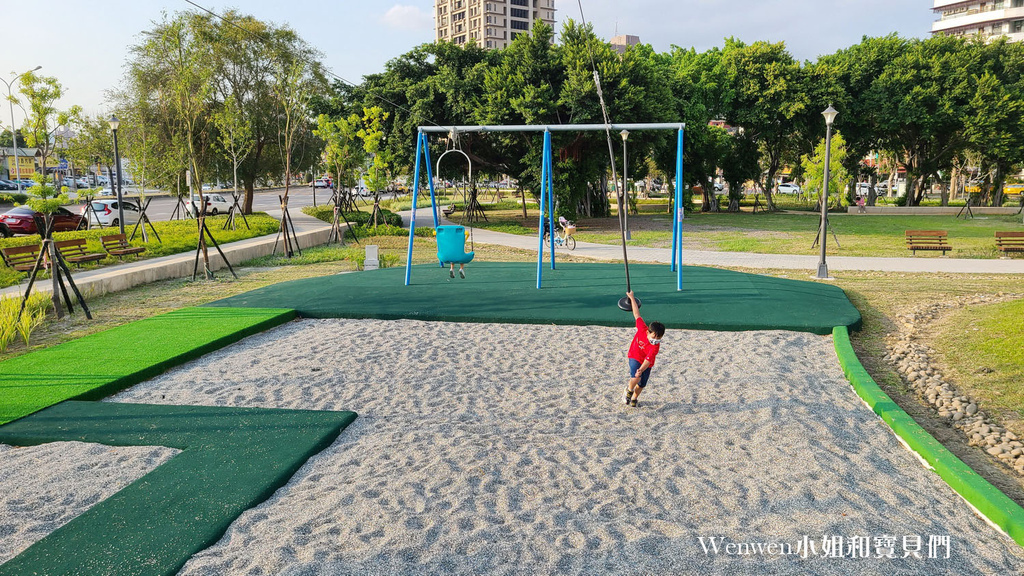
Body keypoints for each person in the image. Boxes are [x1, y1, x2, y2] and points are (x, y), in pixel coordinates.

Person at [623, 291, 665, 408]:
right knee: (636, 377)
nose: (655, 340)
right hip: (635, 356)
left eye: (659, 338)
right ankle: (629, 390)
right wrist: (632, 298)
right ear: (648, 332)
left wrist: (641, 369)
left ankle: (634, 398)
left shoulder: (655, 346)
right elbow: (636, 314)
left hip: (646, 363)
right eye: (653, 337)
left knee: (642, 384)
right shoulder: (642, 328)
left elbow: (648, 360)